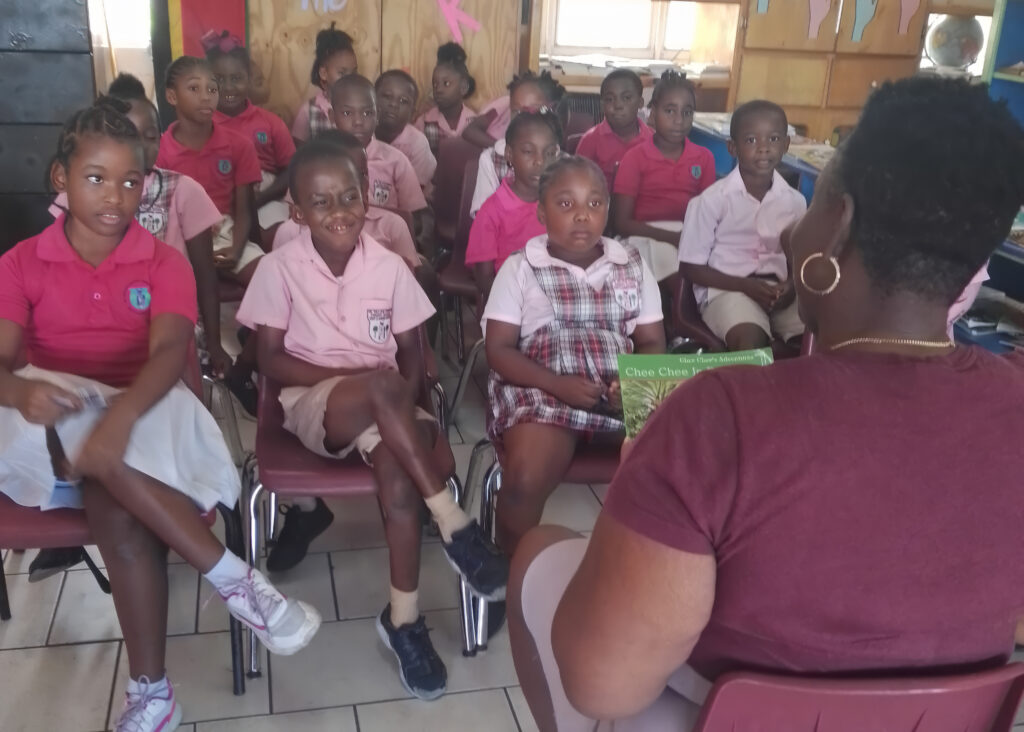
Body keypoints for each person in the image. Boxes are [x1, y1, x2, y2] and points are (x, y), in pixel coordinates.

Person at [507, 76, 1024, 732]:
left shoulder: (717, 416)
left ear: (835, 226)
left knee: (540, 555)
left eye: (814, 202)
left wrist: (652, 476)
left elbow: (601, 686)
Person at [0, 98, 321, 732]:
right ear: (61, 178)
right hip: (48, 408)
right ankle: (233, 579)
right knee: (84, 443)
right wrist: (17, 395)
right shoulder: (21, 262)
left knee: (118, 509)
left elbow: (170, 351)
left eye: (129, 180)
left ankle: (152, 694)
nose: (115, 195)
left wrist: (114, 424)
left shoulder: (160, 260)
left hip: (143, 402)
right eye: (96, 177)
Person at [236, 140, 509, 699]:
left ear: (367, 197)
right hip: (315, 407)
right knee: (383, 385)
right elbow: (268, 360)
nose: (339, 210)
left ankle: (403, 621)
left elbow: (413, 352)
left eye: (350, 196)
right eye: (321, 201)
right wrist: (369, 387)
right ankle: (455, 523)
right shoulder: (279, 269)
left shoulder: (388, 267)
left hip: (387, 411)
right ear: (296, 210)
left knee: (399, 486)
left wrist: (394, 408)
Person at [484, 156, 665, 557]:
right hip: (542, 386)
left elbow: (653, 343)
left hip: (620, 387)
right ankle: (507, 570)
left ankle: (644, 571)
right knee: (524, 481)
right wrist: (557, 385)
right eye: (566, 204)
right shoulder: (520, 268)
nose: (582, 216)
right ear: (541, 212)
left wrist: (633, 383)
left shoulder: (632, 265)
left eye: (595, 204)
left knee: (680, 459)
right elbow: (497, 350)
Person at [156, 55, 265, 415]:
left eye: (212, 89)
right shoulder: (160, 150)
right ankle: (203, 358)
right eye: (194, 89)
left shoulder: (237, 145)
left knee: (273, 279)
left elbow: (245, 209)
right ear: (172, 96)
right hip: (180, 237)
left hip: (226, 232)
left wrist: (236, 250)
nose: (207, 97)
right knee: (183, 291)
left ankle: (250, 355)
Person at [678, 100, 807, 351]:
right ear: (732, 147)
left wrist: (791, 288)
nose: (763, 149)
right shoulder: (711, 201)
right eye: (751, 141)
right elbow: (690, 267)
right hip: (727, 290)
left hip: (780, 292)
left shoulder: (796, 202)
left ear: (786, 145)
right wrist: (746, 286)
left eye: (773, 139)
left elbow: (798, 258)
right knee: (751, 344)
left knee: (817, 338)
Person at [612, 71, 715, 283]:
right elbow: (621, 222)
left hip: (688, 235)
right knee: (679, 277)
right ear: (652, 113)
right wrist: (672, 238)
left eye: (687, 112)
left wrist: (688, 238)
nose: (679, 120)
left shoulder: (703, 158)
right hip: (644, 237)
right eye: (669, 111)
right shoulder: (635, 158)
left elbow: (708, 215)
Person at [465, 110, 560, 302]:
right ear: (509, 154)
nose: (540, 161)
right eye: (528, 151)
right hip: (509, 301)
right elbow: (485, 281)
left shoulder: (559, 205)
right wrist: (522, 304)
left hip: (553, 295)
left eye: (548, 153)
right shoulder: (491, 211)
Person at [207, 40, 296, 233]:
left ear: (249, 79)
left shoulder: (270, 122)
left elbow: (290, 170)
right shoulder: (202, 124)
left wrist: (259, 198)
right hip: (217, 199)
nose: (228, 87)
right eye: (219, 80)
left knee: (278, 233)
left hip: (265, 195)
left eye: (237, 78)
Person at [469, 71, 567, 217]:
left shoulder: (565, 164)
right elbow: (483, 217)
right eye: (517, 111)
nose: (523, 119)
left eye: (535, 111)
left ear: (552, 111)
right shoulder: (491, 159)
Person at [575, 69, 653, 191]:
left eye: (626, 98)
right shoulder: (591, 140)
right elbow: (578, 182)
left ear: (640, 103)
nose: (618, 105)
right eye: (610, 99)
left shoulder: (653, 140)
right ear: (602, 106)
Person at [291, 23, 357, 144]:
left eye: (354, 72)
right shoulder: (309, 111)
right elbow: (299, 152)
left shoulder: (360, 107)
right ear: (324, 73)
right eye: (342, 73)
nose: (349, 79)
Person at [374, 70, 437, 190]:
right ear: (371, 99)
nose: (393, 104)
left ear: (412, 113)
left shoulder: (417, 143)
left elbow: (415, 193)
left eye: (403, 101)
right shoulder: (361, 133)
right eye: (387, 96)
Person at [416, 42, 478, 155]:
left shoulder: (474, 122)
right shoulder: (424, 121)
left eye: (446, 83)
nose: (438, 89)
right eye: (435, 84)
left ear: (463, 87)